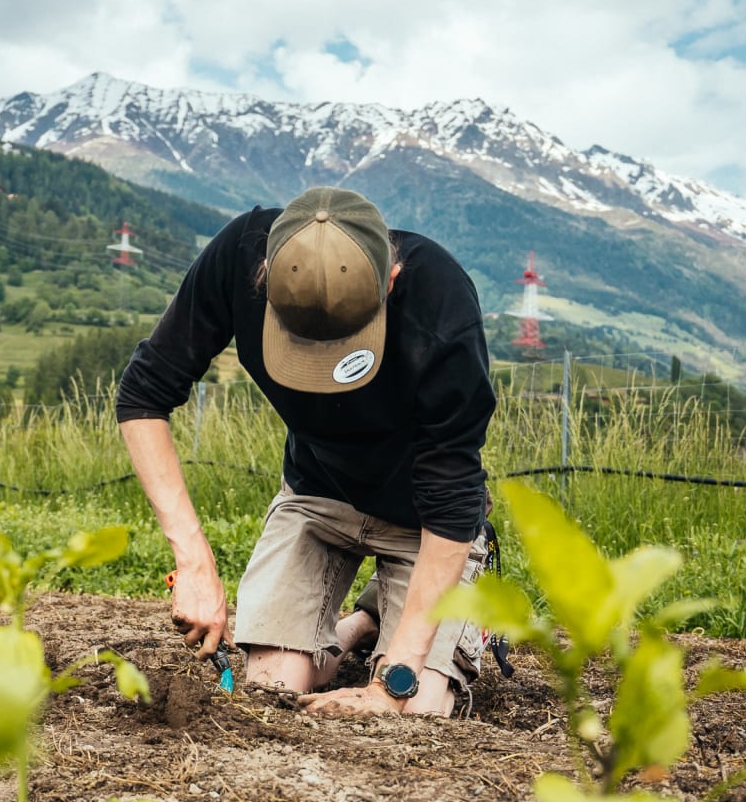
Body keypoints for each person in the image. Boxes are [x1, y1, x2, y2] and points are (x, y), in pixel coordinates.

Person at [116, 186, 496, 717]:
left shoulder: (442, 307)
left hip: (423, 520)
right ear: (263, 274)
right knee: (274, 687)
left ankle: (389, 623)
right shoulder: (237, 254)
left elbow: (452, 496)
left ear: (391, 279)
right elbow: (143, 395)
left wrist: (391, 685)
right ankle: (364, 625)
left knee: (416, 710)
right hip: (318, 495)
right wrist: (194, 562)